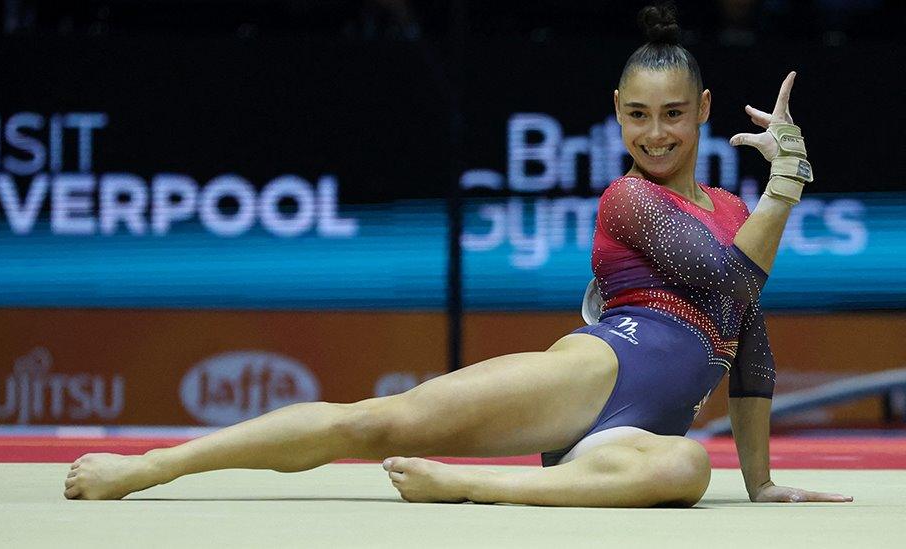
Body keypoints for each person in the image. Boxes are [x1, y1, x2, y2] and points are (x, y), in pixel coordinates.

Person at [64, 4, 851, 506]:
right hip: (593, 372)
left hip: (635, 442)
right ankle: (151, 467)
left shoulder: (734, 213)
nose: (656, 133)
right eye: (639, 115)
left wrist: (762, 482)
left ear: (705, 111)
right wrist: (788, 180)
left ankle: (471, 485)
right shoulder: (628, 199)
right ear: (615, 114)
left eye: (674, 115)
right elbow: (723, 277)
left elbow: (751, 345)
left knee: (687, 472)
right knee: (378, 421)